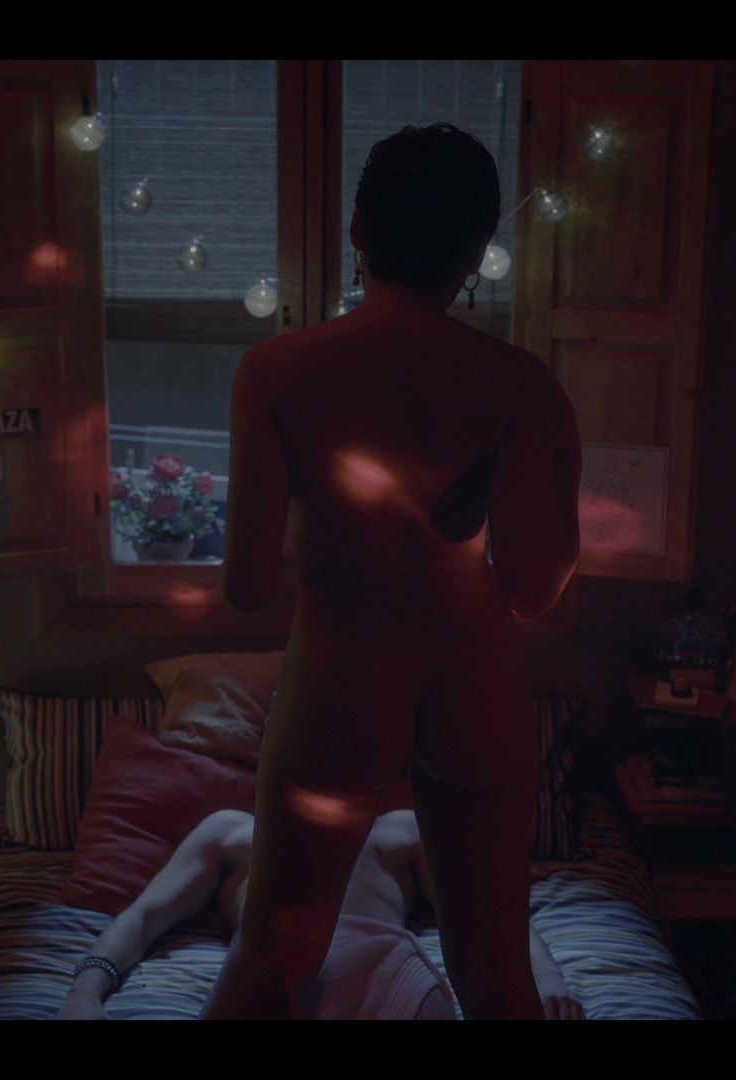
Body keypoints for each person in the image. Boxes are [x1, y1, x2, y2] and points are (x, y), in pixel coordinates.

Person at [205, 123, 581, 1020]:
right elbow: (533, 587)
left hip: (340, 679)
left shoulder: (275, 370)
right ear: (475, 252)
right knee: (497, 977)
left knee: (271, 962)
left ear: (358, 229)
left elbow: (247, 588)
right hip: (473, 681)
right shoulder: (522, 383)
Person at [56, 809, 583, 1020]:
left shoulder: (397, 827)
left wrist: (546, 978)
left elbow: (488, 908)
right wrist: (84, 993)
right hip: (273, 968)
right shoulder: (231, 832)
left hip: (381, 964)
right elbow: (143, 917)